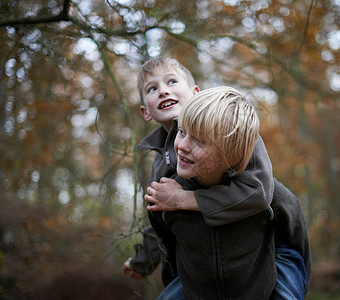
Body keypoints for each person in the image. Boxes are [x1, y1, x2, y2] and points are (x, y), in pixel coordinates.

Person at [122, 57, 310, 299]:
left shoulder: (232, 128)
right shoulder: (161, 163)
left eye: (171, 81)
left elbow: (261, 193)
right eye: (152, 88)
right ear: (145, 112)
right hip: (200, 268)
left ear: (195, 93)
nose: (163, 91)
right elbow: (159, 220)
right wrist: (143, 261)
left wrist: (184, 199)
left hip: (257, 257)